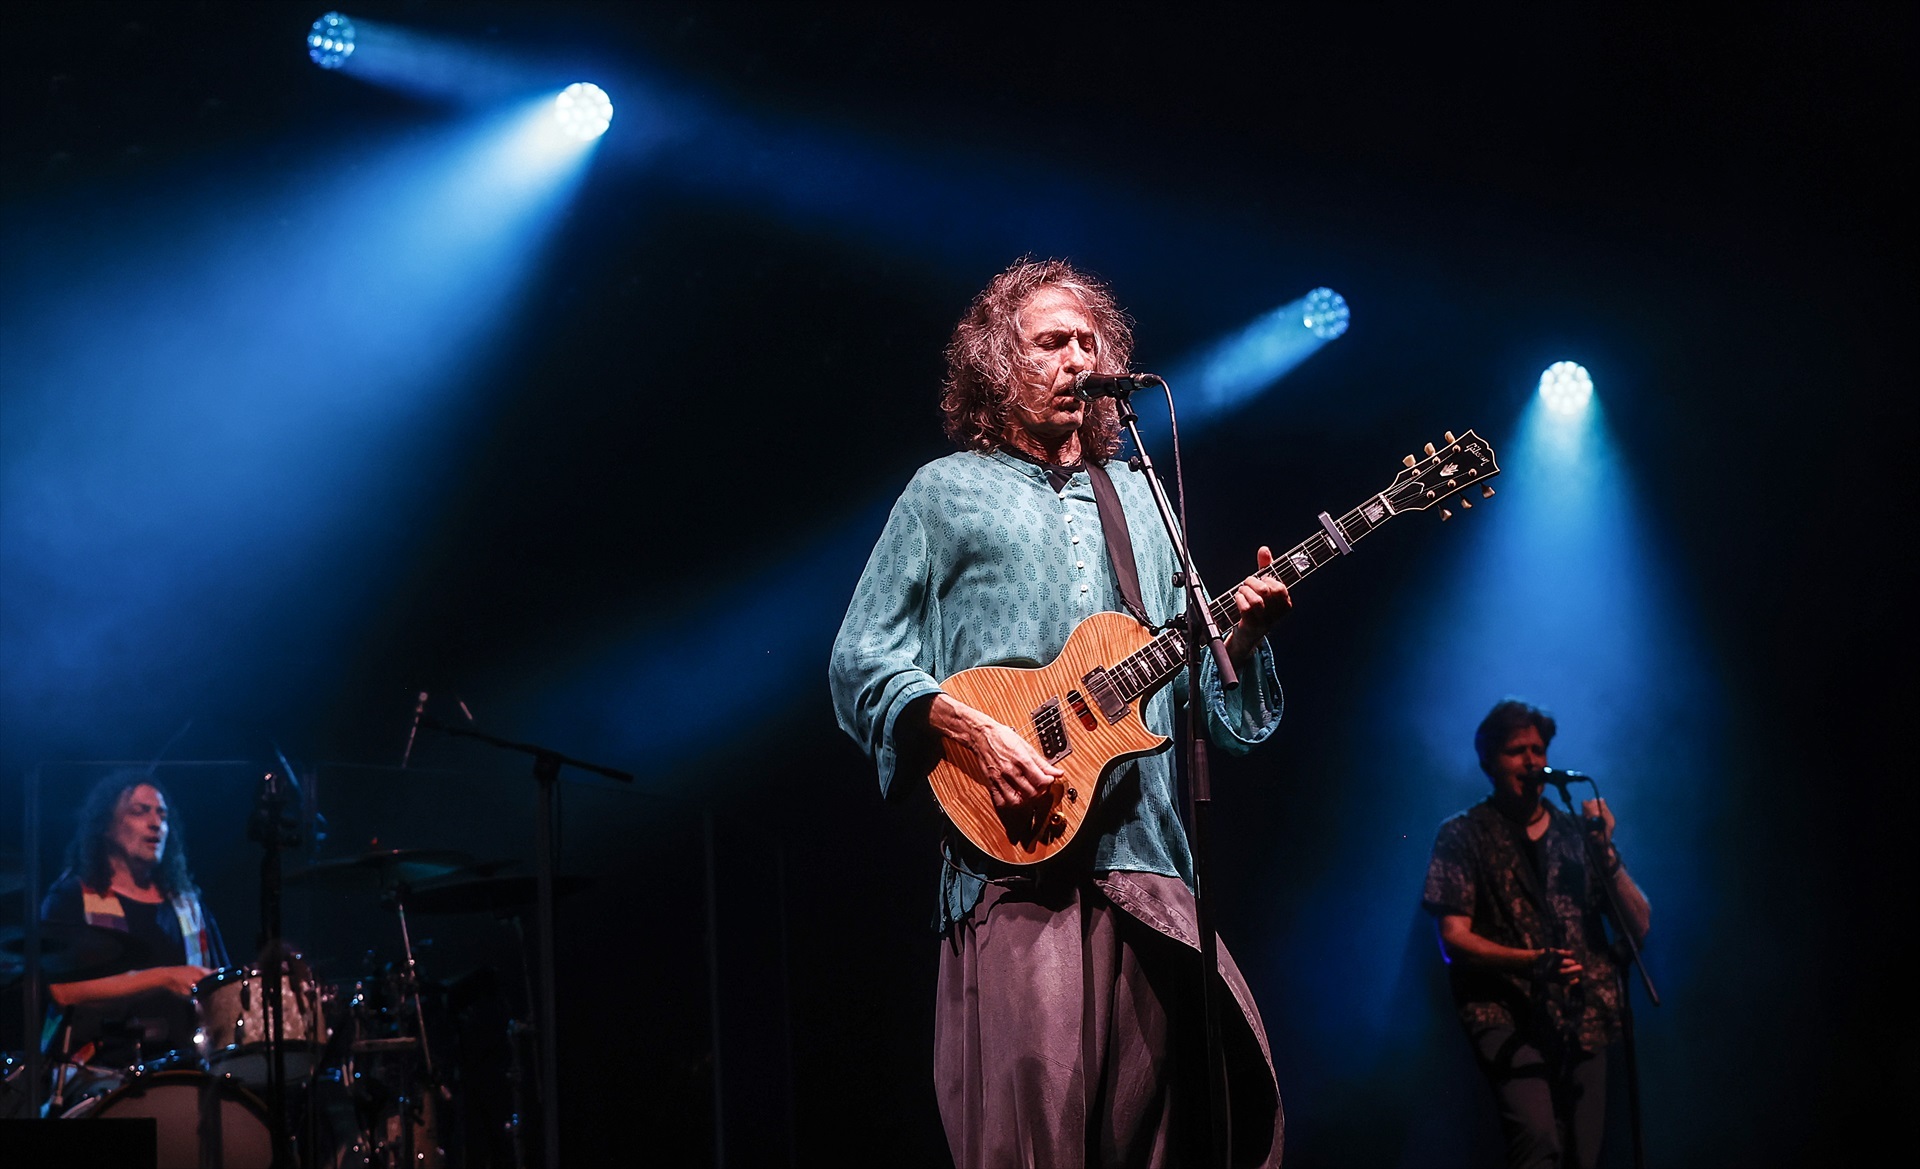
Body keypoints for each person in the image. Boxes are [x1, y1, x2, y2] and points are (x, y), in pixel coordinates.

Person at [830, 258, 1290, 1168]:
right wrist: (969, 731)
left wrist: (1249, 636)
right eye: (1051, 342)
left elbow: (1222, 716)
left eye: (1089, 342)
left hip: (1151, 872)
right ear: (1000, 368)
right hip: (1018, 870)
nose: (1077, 357)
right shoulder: (945, 491)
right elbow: (861, 657)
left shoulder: (1146, 507)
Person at [1422, 700, 1652, 1169]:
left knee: (1584, 1157)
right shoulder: (1464, 834)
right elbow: (1453, 937)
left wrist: (1604, 851)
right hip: (1505, 1015)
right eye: (1515, 751)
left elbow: (1640, 926)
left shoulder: (1576, 834)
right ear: (1489, 763)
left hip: (1584, 1016)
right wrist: (1530, 963)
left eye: (1538, 749)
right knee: (1538, 1141)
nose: (1531, 761)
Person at [40, 770, 229, 1069]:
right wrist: (163, 977)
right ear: (106, 826)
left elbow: (220, 985)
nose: (156, 824)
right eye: (140, 812)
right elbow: (65, 992)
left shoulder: (188, 906)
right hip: (99, 1073)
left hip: (188, 1071)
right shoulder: (72, 897)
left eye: (162, 816)